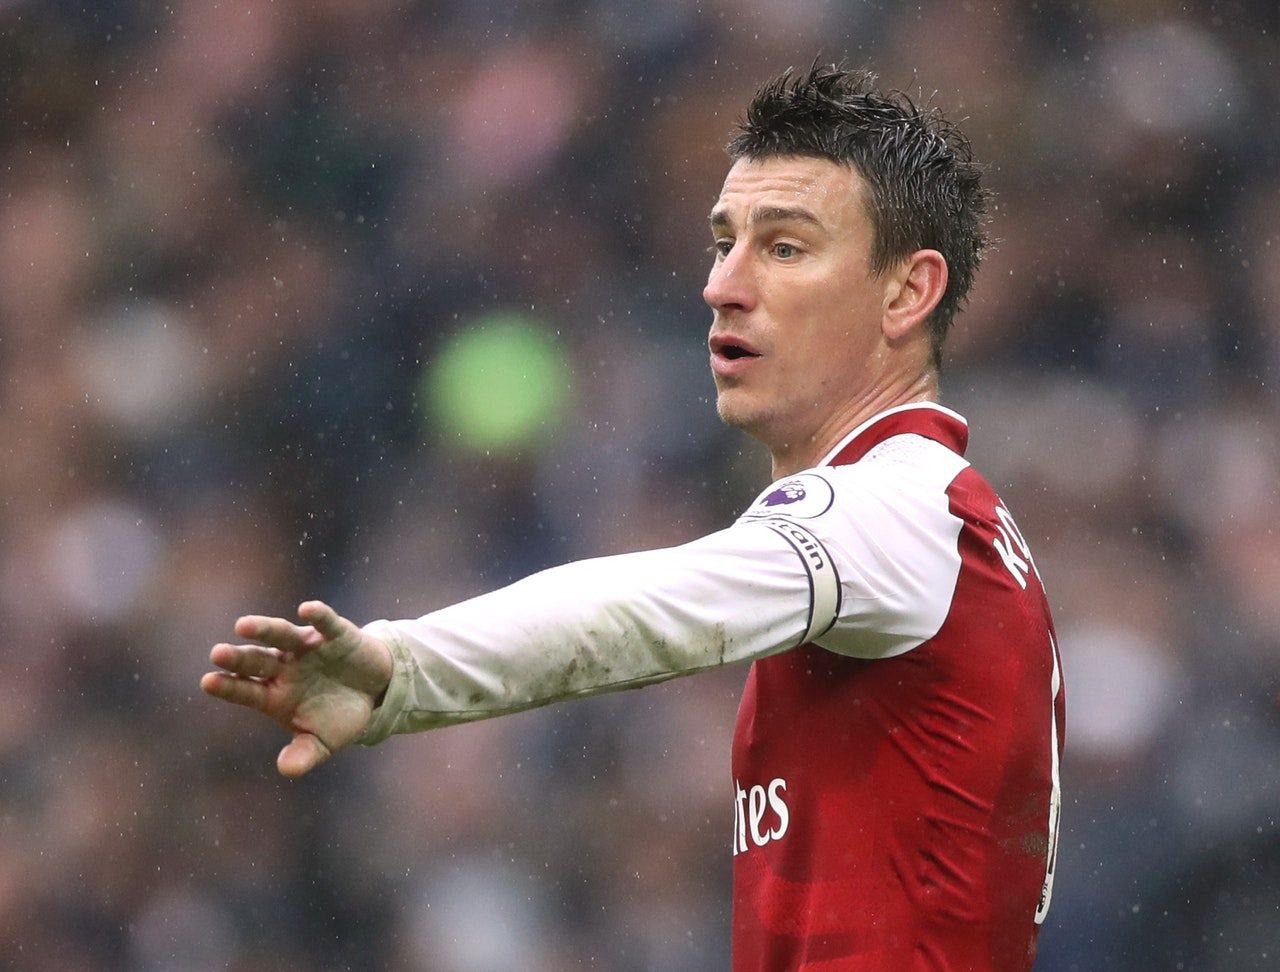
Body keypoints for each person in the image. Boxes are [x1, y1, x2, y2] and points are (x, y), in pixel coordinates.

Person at [202, 64, 1064, 970]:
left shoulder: (892, 507)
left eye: (784, 248)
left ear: (906, 293)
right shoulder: (949, 525)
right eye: (723, 243)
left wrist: (403, 668)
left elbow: (647, 609)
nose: (723, 284)